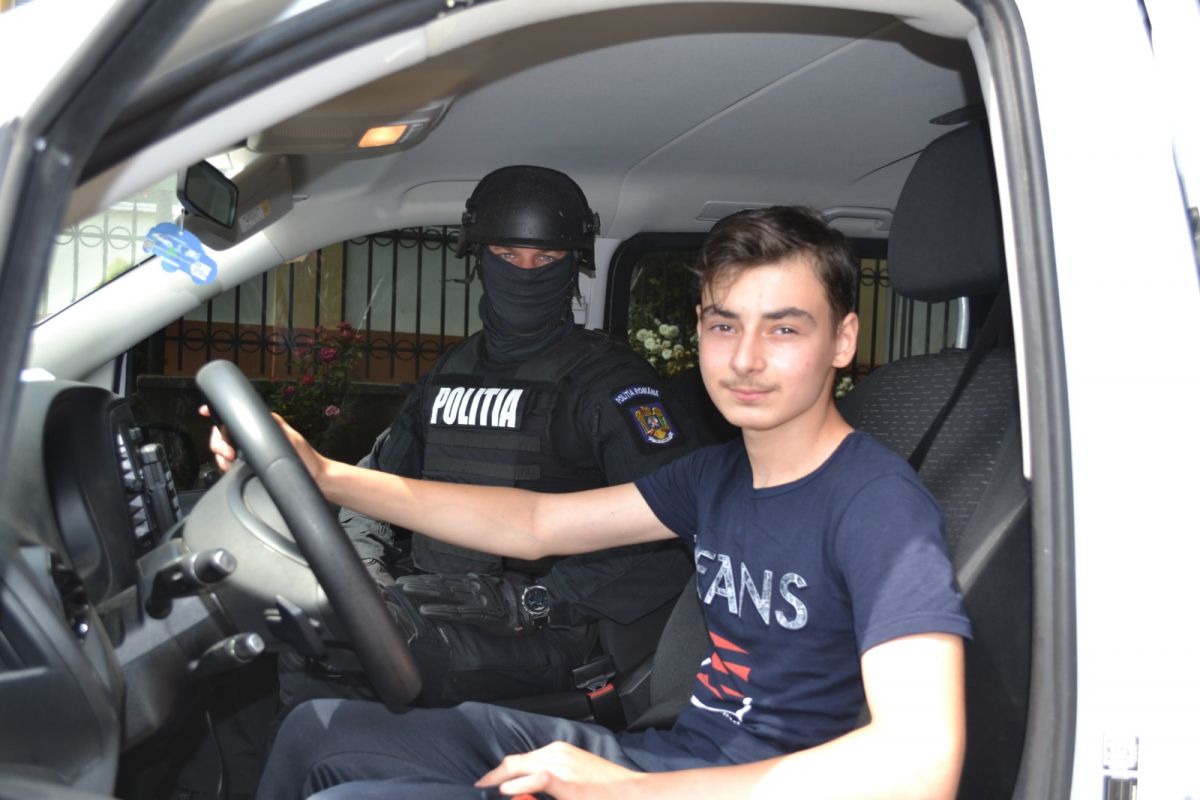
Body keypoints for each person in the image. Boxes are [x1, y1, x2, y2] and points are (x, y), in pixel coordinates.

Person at [229, 205, 971, 800]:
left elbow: (920, 767)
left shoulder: (877, 506)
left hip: (737, 785)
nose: (746, 359)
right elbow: (534, 523)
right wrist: (325, 475)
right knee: (317, 732)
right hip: (670, 756)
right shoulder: (715, 475)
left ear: (843, 340)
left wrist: (629, 791)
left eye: (783, 328)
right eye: (724, 325)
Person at [226, 165, 699, 709]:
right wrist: (367, 573)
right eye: (507, 255)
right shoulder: (452, 369)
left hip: (547, 626)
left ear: (573, 265)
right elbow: (375, 485)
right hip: (433, 596)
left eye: (546, 258)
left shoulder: (609, 383)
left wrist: (541, 601)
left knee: (333, 655)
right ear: (479, 257)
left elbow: (672, 529)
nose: (526, 272)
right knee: (304, 624)